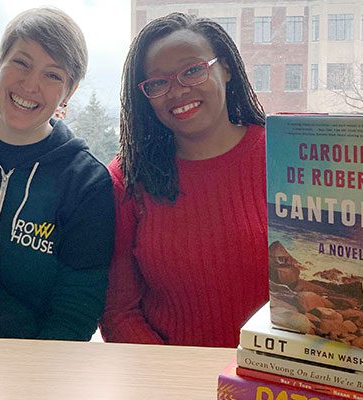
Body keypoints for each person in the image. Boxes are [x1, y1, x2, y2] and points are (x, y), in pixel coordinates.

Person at [0, 7, 114, 340]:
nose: (31, 85)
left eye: (53, 75)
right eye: (21, 63)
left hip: (25, 366)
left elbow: (76, 306)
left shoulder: (85, 181)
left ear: (68, 92)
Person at [100, 12, 268, 347]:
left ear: (227, 68)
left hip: (282, 380)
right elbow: (118, 313)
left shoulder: (289, 156)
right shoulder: (127, 180)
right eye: (158, 83)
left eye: (193, 70)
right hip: (170, 381)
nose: (177, 91)